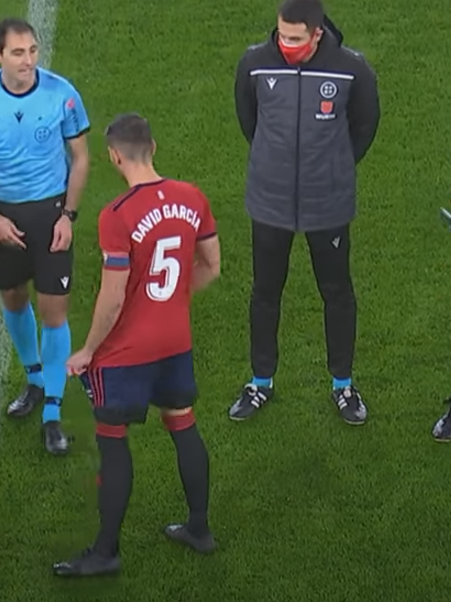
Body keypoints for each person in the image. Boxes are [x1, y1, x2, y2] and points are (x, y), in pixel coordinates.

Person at [52, 113, 220, 577]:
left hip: (127, 352)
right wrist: (170, 305)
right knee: (183, 426)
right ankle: (200, 529)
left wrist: (87, 350)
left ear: (113, 155)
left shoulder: (118, 215)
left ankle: (106, 552)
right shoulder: (193, 197)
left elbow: (113, 294)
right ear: (154, 146)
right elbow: (211, 266)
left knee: (113, 441)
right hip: (175, 342)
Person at [229, 0, 380, 424]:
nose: (285, 44)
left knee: (336, 292)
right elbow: (249, 119)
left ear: (317, 34)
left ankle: (343, 385)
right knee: (265, 292)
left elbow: (365, 124)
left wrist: (335, 166)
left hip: (327, 204)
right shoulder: (255, 63)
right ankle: (260, 383)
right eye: (281, 35)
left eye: (295, 38)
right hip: (269, 202)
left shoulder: (352, 69)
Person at [0, 17, 90, 454]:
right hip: (2, 215)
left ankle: (52, 410)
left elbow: (81, 158)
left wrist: (68, 216)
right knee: (12, 297)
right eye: (18, 52)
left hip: (50, 213)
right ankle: (34, 378)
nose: (28, 59)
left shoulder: (61, 94)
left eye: (32, 50)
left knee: (53, 310)